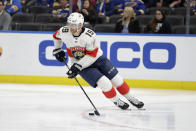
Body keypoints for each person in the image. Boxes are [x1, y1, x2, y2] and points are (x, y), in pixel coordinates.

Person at [52, 12, 144, 110]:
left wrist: (77, 66)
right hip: (82, 65)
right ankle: (116, 101)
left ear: (80, 24)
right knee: (105, 83)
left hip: (97, 59)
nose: (71, 27)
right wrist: (58, 49)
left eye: (73, 25)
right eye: (70, 24)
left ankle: (131, 98)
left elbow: (92, 55)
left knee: (117, 80)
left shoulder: (89, 35)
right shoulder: (64, 31)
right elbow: (56, 36)